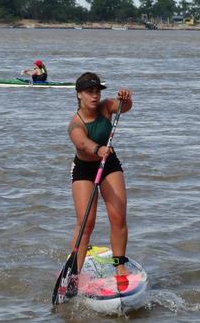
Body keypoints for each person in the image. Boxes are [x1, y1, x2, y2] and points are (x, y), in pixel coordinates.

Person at [67, 72, 133, 278]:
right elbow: (82, 143)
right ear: (79, 95)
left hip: (109, 164)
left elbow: (124, 108)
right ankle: (74, 272)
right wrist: (98, 149)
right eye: (89, 92)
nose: (94, 96)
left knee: (118, 216)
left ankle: (119, 264)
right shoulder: (75, 124)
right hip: (85, 169)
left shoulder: (105, 107)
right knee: (86, 223)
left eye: (97, 91)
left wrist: (125, 99)